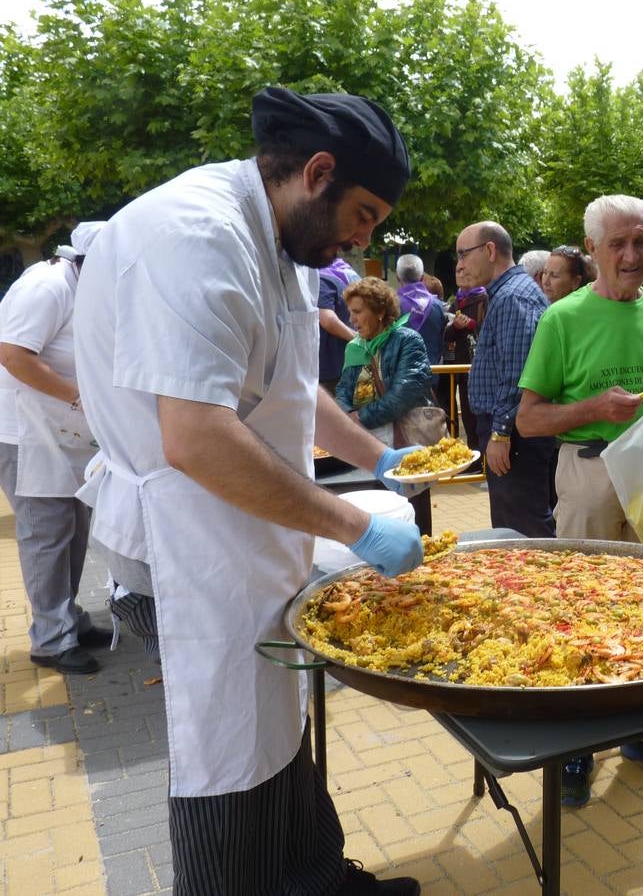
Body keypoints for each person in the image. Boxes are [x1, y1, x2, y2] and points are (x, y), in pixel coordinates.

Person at [73, 86, 425, 895]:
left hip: (247, 537)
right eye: (364, 213)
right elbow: (195, 436)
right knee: (228, 749)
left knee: (278, 724)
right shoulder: (195, 234)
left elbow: (291, 392)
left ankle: (316, 877)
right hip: (187, 547)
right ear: (318, 172)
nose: (362, 237)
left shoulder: (280, 242)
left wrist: (379, 459)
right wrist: (352, 525)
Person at [516, 194, 643, 808]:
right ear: (592, 249)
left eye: (641, 243)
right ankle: (578, 742)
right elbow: (528, 421)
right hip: (589, 470)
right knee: (583, 604)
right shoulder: (562, 317)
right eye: (617, 244)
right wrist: (596, 408)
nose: (631, 256)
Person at [0, 222, 110, 675]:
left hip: (62, 433)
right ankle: (49, 639)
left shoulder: (84, 288)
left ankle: (68, 618)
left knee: (74, 525)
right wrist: (79, 397)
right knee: (46, 533)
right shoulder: (47, 285)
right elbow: (13, 354)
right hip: (24, 432)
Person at [457, 221, 556, 537]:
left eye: (463, 255)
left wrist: (500, 433)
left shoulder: (514, 296)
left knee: (521, 531)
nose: (459, 265)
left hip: (515, 437)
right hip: (513, 433)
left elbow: (517, 374)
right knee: (516, 525)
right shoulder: (507, 294)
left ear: (489, 250)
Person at [335, 276, 436, 536]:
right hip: (367, 446)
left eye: (357, 312)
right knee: (377, 513)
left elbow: (405, 395)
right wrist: (344, 417)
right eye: (350, 313)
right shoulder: (354, 348)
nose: (352, 320)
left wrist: (358, 420)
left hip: (405, 444)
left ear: (380, 311)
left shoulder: (408, 340)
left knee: (412, 516)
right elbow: (344, 391)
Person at [443, 280, 487, 453]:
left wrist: (471, 324)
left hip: (479, 365)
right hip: (461, 365)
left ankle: (482, 456)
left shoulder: (485, 298)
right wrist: (454, 326)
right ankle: (473, 452)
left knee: (478, 414)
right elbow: (447, 335)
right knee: (467, 414)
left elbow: (489, 329)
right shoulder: (457, 301)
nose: (461, 277)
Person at [395, 254, 446, 367]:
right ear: (422, 277)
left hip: (399, 375)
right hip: (431, 373)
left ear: (397, 277)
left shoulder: (390, 305)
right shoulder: (438, 307)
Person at [317, 257, 360, 392]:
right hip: (347, 364)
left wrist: (358, 339)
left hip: (329, 369)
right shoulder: (350, 277)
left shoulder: (323, 279)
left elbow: (327, 320)